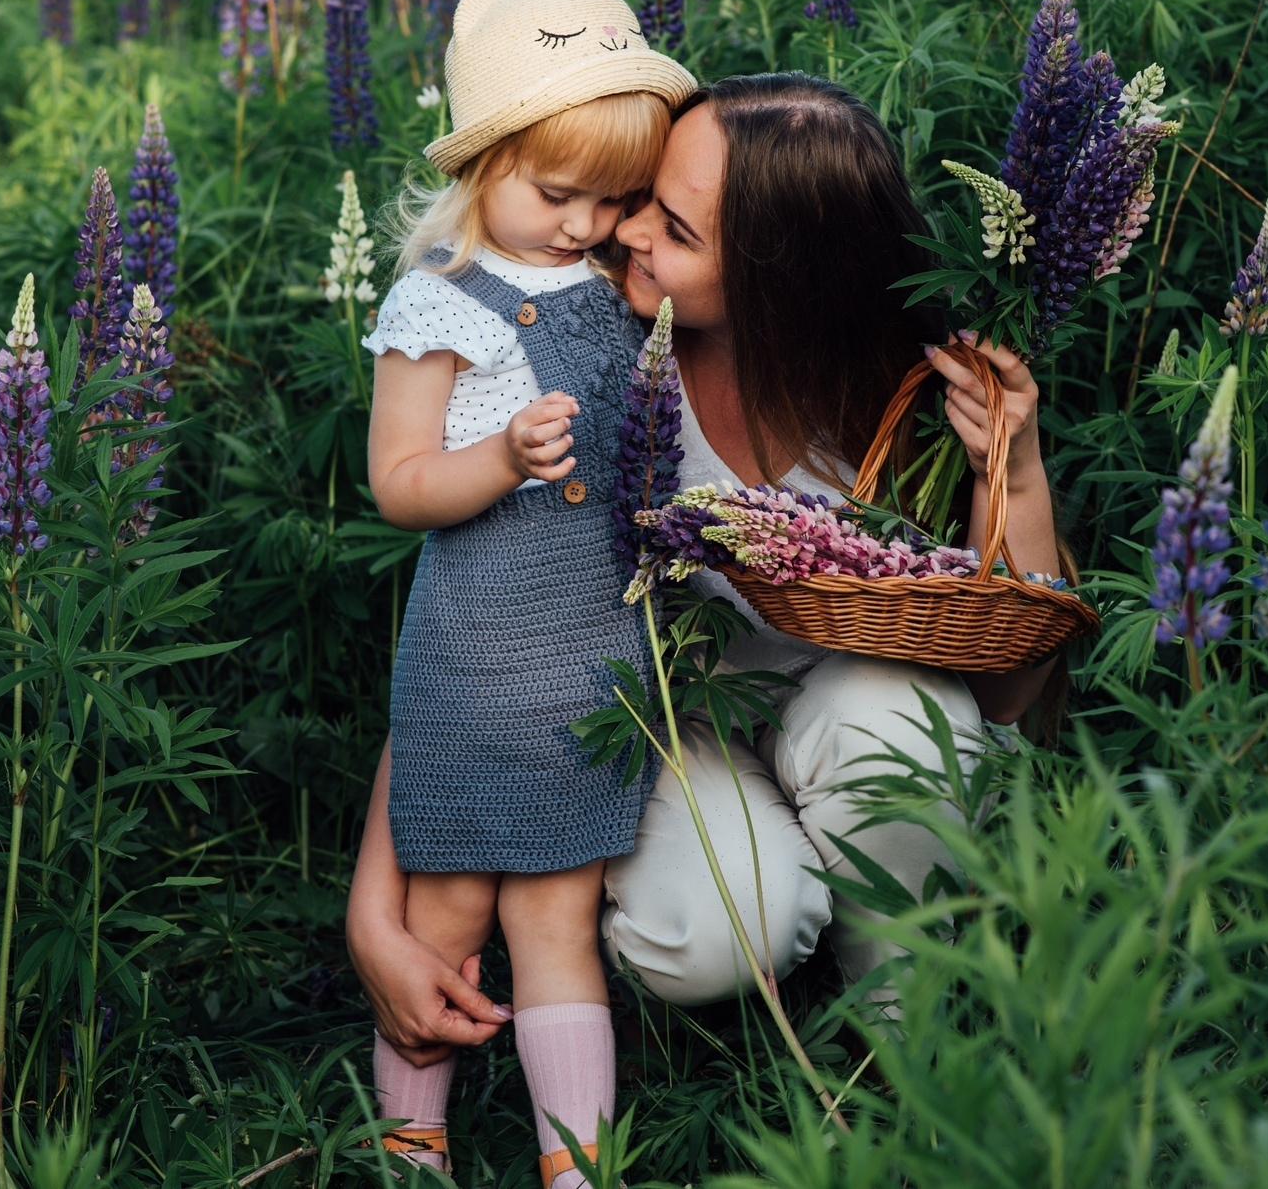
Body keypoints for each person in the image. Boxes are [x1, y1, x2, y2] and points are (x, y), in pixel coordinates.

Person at [349, 73, 1061, 1062]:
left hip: (850, 705)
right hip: (671, 718)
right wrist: (375, 910)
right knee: (706, 937)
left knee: (904, 720)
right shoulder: (595, 347)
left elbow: (1012, 685)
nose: (625, 231)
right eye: (640, 196)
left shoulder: (897, 386)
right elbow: (482, 624)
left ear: (783, 276)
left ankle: (906, 1031)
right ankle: (789, 908)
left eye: (674, 229)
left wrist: (1012, 469)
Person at [359, 0, 695, 1187]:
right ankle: (411, 1146)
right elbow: (396, 480)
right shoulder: (436, 302)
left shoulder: (613, 287)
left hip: (588, 659)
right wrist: (495, 458)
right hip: (470, 653)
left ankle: (576, 1167)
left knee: (556, 920)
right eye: (555, 193)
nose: (580, 224)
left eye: (608, 201)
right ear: (483, 161)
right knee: (443, 910)